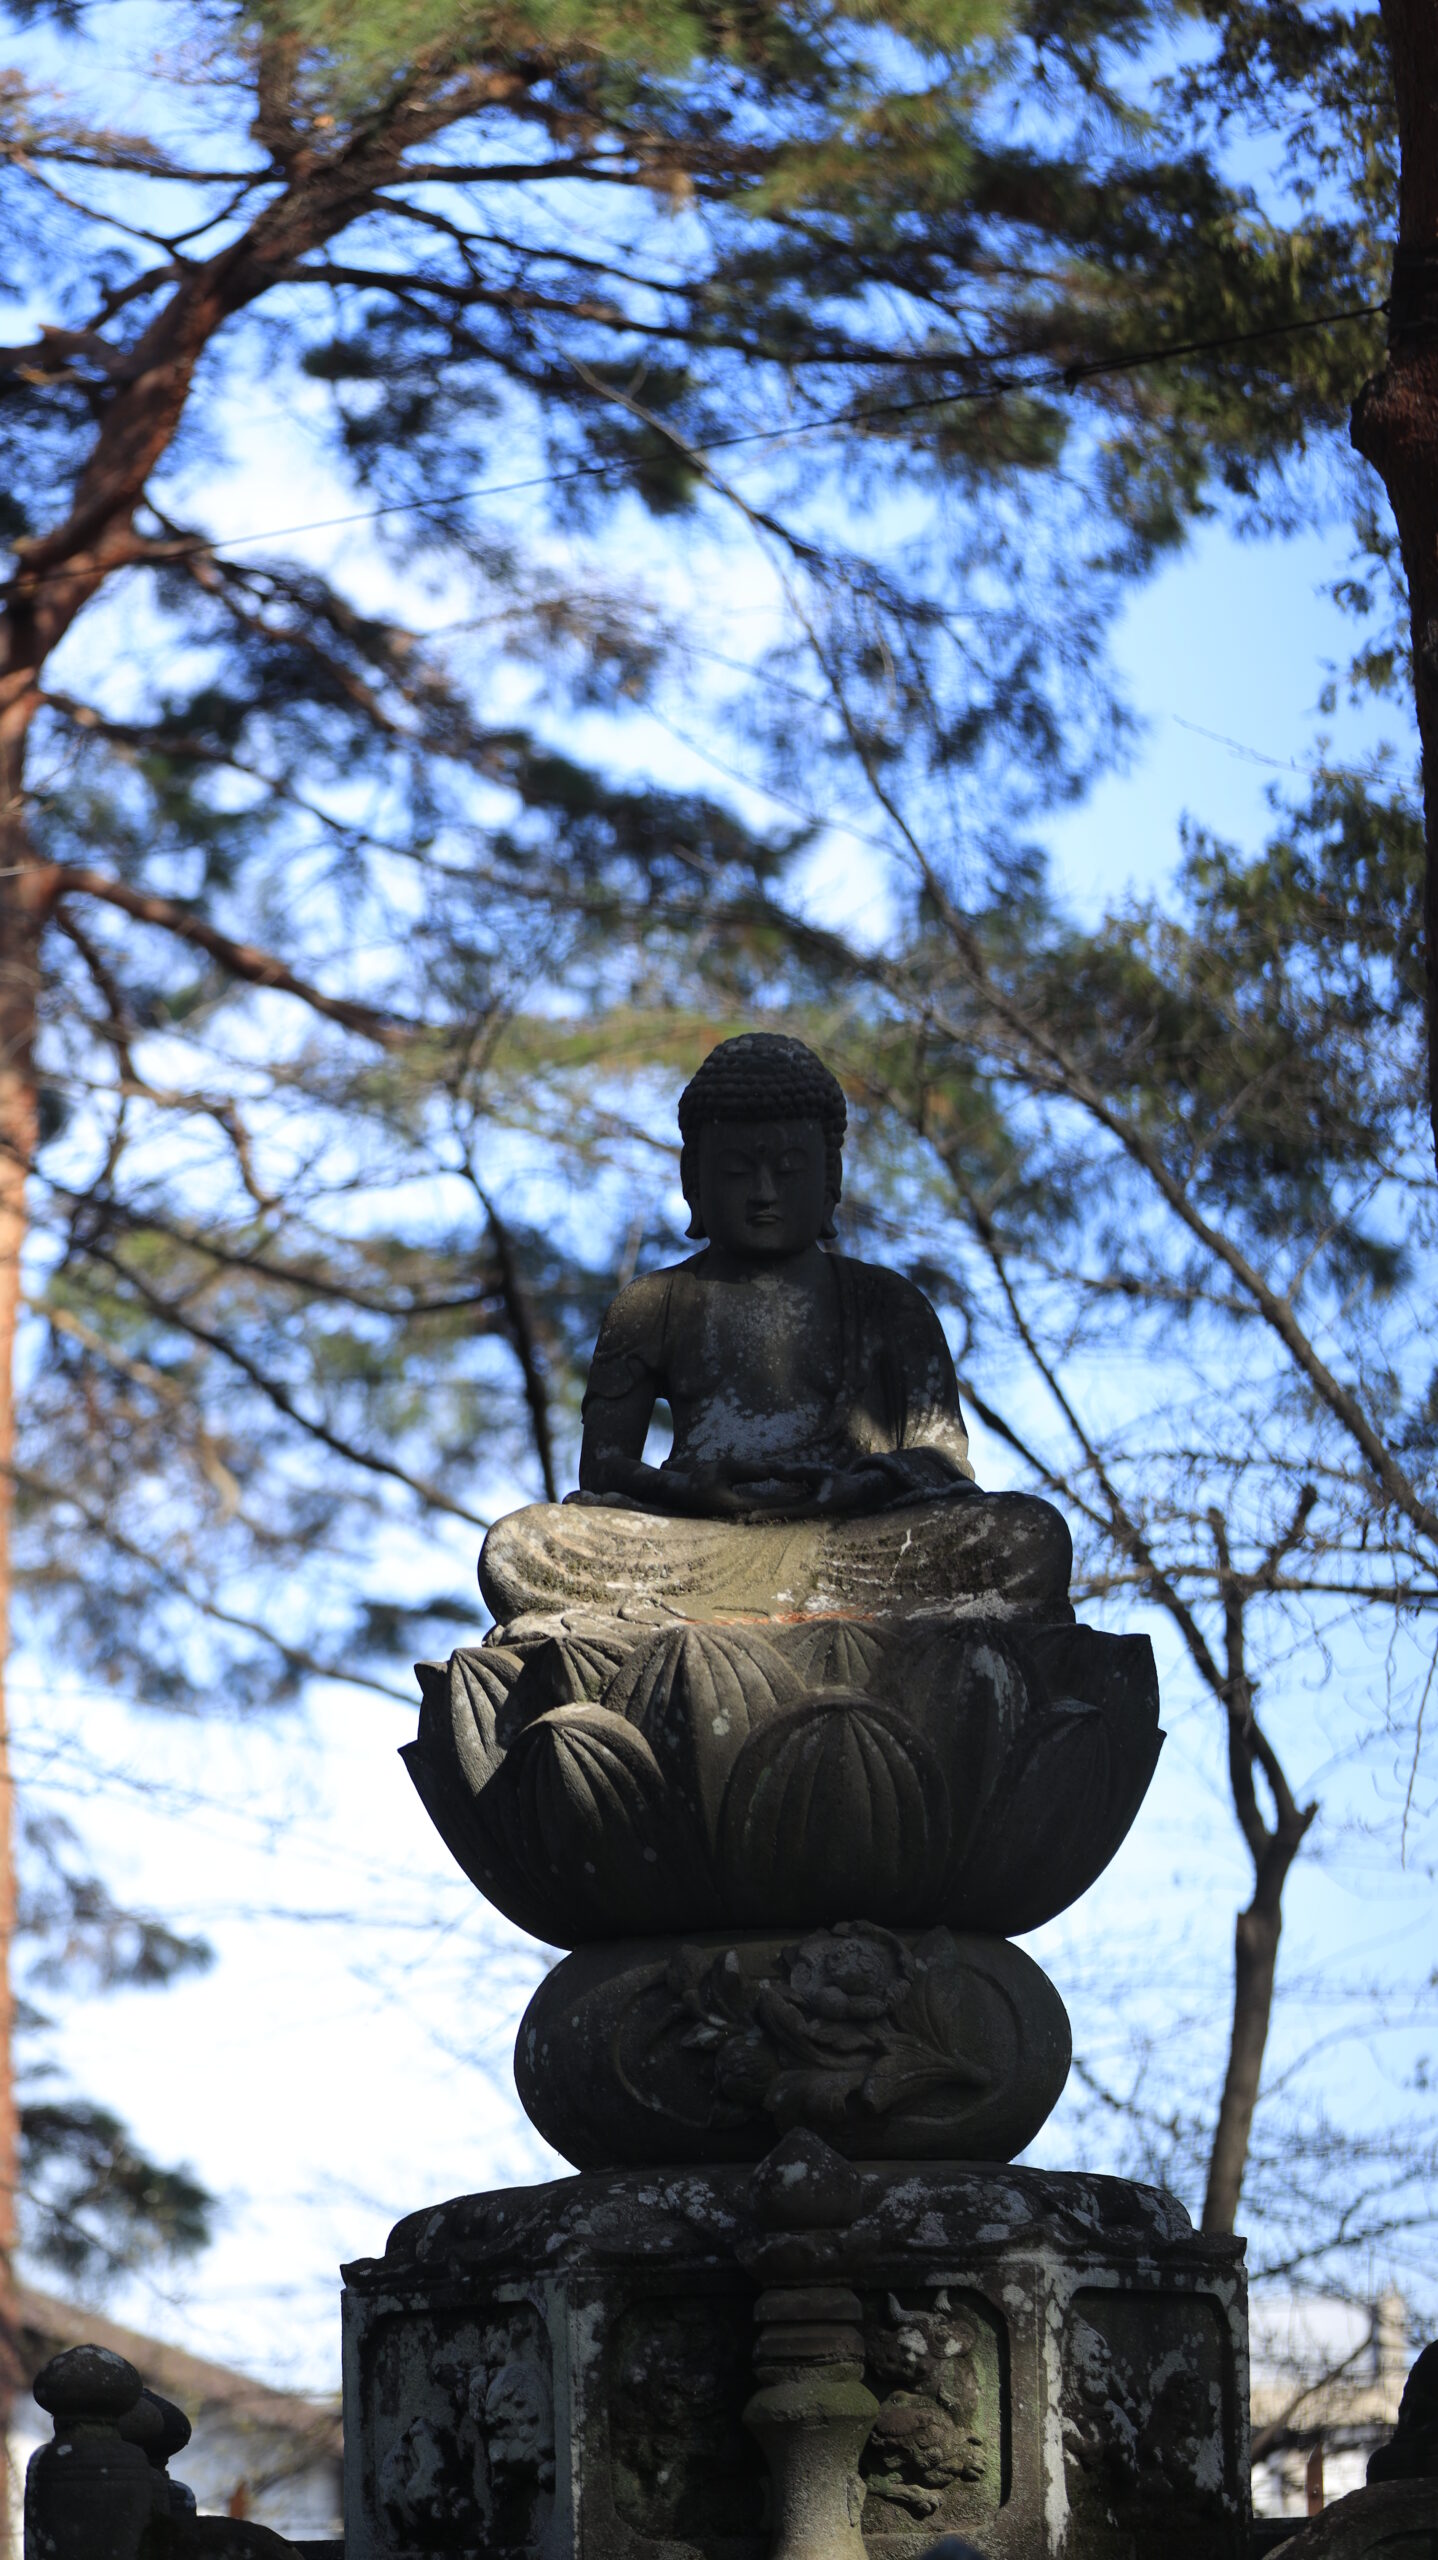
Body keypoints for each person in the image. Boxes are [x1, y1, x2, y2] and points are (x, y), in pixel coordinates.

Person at [479, 1033, 1072, 1627]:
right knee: (519, 1547)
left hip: (855, 1539)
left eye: (789, 1170)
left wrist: (856, 1487)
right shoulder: (652, 1303)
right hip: (694, 1541)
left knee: (1028, 1535)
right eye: (737, 1171)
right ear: (694, 1179)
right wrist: (690, 1490)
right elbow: (603, 1469)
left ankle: (728, 1616)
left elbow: (943, 1459)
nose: (764, 1194)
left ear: (830, 1176)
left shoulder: (888, 1301)